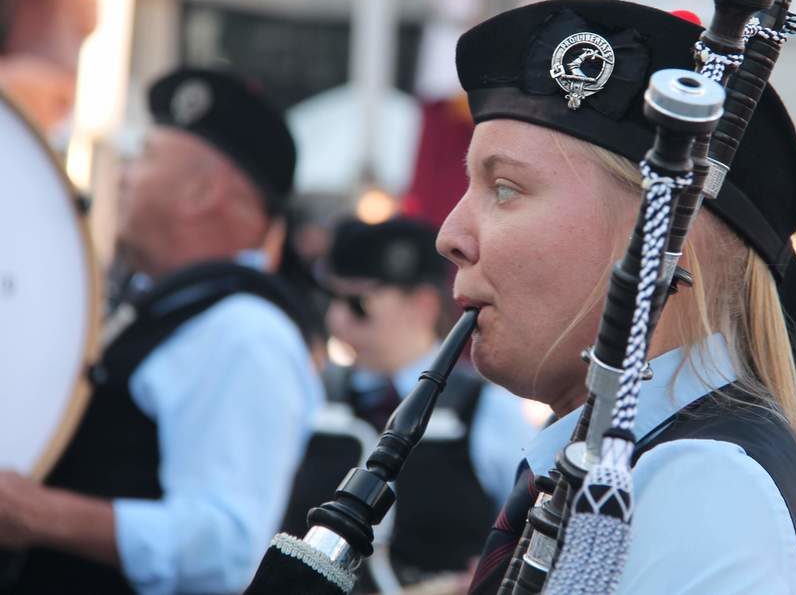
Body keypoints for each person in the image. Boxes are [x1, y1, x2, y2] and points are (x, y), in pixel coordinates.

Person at [435, 0, 796, 594]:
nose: (450, 237)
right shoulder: (648, 472)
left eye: (505, 188)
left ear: (660, 237)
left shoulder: (705, 492)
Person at [0, 67, 323, 594]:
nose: (122, 174)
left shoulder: (246, 333)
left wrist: (38, 514)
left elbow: (226, 548)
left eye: (143, 156)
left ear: (201, 193)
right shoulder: (172, 310)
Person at [282, 216, 534, 590]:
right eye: (330, 300)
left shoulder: (485, 409)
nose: (336, 320)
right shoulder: (311, 396)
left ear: (422, 304)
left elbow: (527, 530)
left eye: (358, 304)